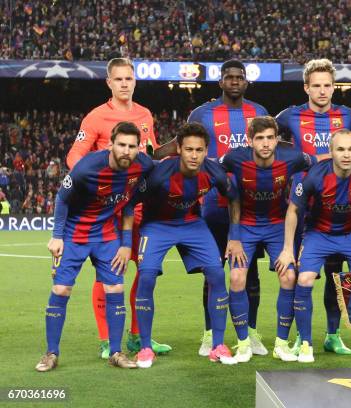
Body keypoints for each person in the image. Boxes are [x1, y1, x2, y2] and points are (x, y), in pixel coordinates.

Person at [156, 60, 269, 358]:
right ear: (220, 81)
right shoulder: (202, 113)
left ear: (246, 82)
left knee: (249, 274)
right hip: (210, 207)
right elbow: (177, 144)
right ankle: (209, 333)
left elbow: (273, 147)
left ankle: (252, 333)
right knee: (213, 273)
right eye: (229, 77)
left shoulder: (258, 113)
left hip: (248, 206)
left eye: (239, 77)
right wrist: (150, 156)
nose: (234, 81)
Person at [65, 57, 169, 358]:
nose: (124, 84)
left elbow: (149, 153)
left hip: (140, 206)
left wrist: (172, 154)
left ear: (135, 81)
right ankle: (107, 340)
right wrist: (86, 179)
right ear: (109, 83)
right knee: (108, 274)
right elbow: (76, 155)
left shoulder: (145, 114)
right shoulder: (95, 118)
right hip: (109, 211)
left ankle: (138, 336)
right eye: (119, 79)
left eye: (129, 78)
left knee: (145, 270)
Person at [35, 122, 154, 372]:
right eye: (121, 145)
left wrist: (124, 243)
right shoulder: (87, 167)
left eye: (132, 146)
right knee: (61, 289)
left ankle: (116, 353)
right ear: (110, 144)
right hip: (74, 234)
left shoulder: (142, 165)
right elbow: (61, 197)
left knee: (115, 287)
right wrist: (57, 236)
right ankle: (51, 353)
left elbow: (132, 201)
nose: (126, 151)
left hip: (107, 234)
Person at [133, 123, 243, 367]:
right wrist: (123, 239)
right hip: (157, 225)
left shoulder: (213, 171)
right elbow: (131, 200)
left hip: (192, 223)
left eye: (199, 150)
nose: (194, 155)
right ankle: (145, 348)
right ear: (179, 149)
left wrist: (234, 237)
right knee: (147, 276)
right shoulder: (160, 174)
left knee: (216, 272)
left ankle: (218, 345)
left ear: (206, 151)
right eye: (189, 149)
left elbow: (234, 197)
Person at [276, 58, 351, 355]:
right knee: (294, 274)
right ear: (306, 88)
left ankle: (331, 334)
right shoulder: (290, 116)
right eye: (317, 86)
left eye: (328, 85)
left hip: (337, 207)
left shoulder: (348, 116)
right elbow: (266, 137)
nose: (323, 91)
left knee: (334, 276)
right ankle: (290, 338)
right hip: (302, 207)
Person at [218, 116, 322, 363]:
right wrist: (233, 236)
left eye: (270, 138)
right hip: (245, 226)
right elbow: (212, 168)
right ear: (249, 140)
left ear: (277, 139)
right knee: (236, 277)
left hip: (277, 226)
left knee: (289, 276)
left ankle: (281, 344)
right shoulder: (235, 158)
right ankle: (243, 344)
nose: (265, 144)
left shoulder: (293, 158)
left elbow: (318, 163)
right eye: (260, 138)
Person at [276, 129, 351, 363]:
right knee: (304, 280)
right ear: (331, 152)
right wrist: (287, 249)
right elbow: (293, 210)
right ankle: (305, 343)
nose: (346, 155)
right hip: (319, 234)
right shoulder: (315, 175)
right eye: (340, 149)